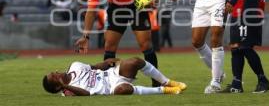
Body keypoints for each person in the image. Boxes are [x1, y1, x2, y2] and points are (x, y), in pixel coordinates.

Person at [74, 0, 160, 87]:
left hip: (136, 6)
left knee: (145, 44)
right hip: (115, 8)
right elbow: (91, 11)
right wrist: (85, 35)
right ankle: (108, 83)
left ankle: (156, 81)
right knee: (109, 46)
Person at [42, 57, 187, 96]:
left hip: (112, 74)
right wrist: (65, 86)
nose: (56, 72)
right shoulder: (68, 92)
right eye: (54, 76)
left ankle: (168, 82)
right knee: (123, 90)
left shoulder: (75, 65)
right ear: (57, 86)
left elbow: (94, 67)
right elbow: (86, 94)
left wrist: (105, 62)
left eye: (54, 72)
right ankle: (166, 91)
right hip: (111, 87)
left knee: (135, 61)